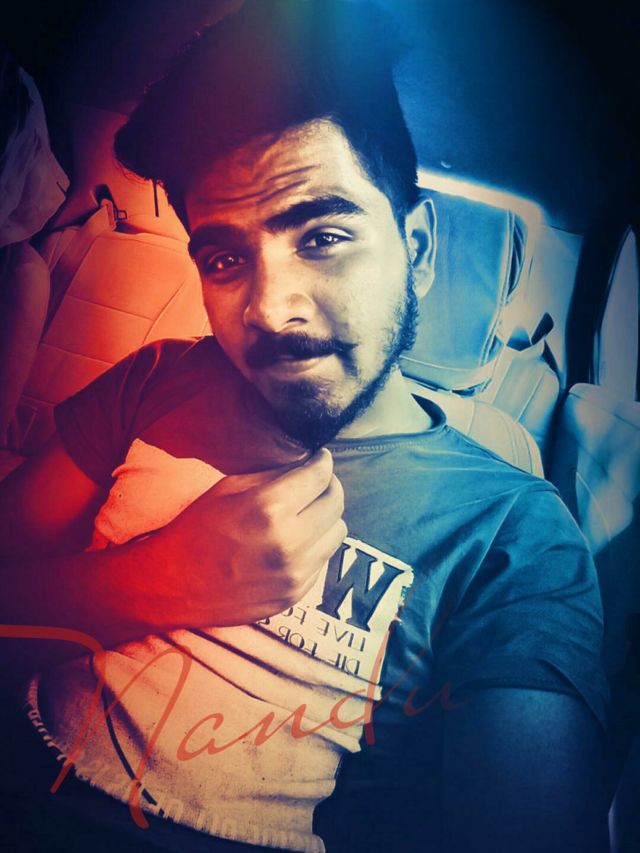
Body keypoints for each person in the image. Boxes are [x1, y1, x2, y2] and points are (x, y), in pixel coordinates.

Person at [0, 1, 609, 851]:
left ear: (418, 250)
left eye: (322, 236)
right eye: (224, 258)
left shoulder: (510, 531)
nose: (270, 309)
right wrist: (156, 580)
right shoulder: (154, 380)